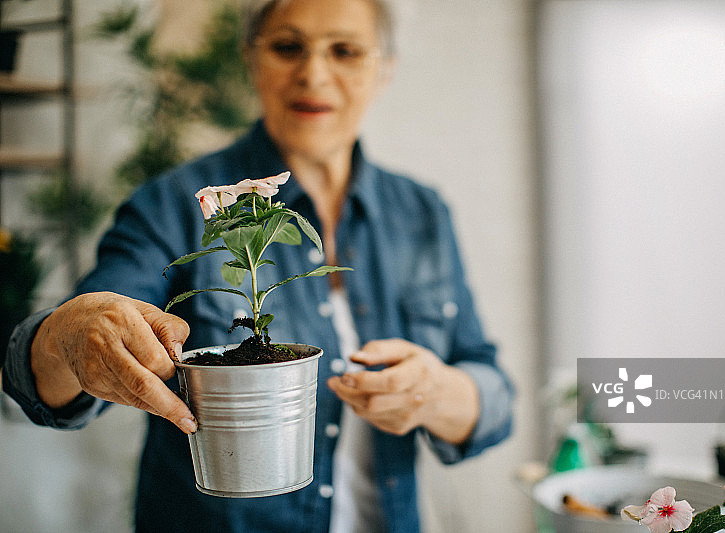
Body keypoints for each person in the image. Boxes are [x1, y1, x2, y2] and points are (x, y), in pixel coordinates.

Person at [2, 0, 514, 531]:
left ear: (384, 67)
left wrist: (438, 393)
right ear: (252, 58)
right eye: (288, 47)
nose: (314, 73)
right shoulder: (178, 205)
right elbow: (57, 368)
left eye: (345, 50)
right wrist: (70, 334)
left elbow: (492, 394)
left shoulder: (422, 213)